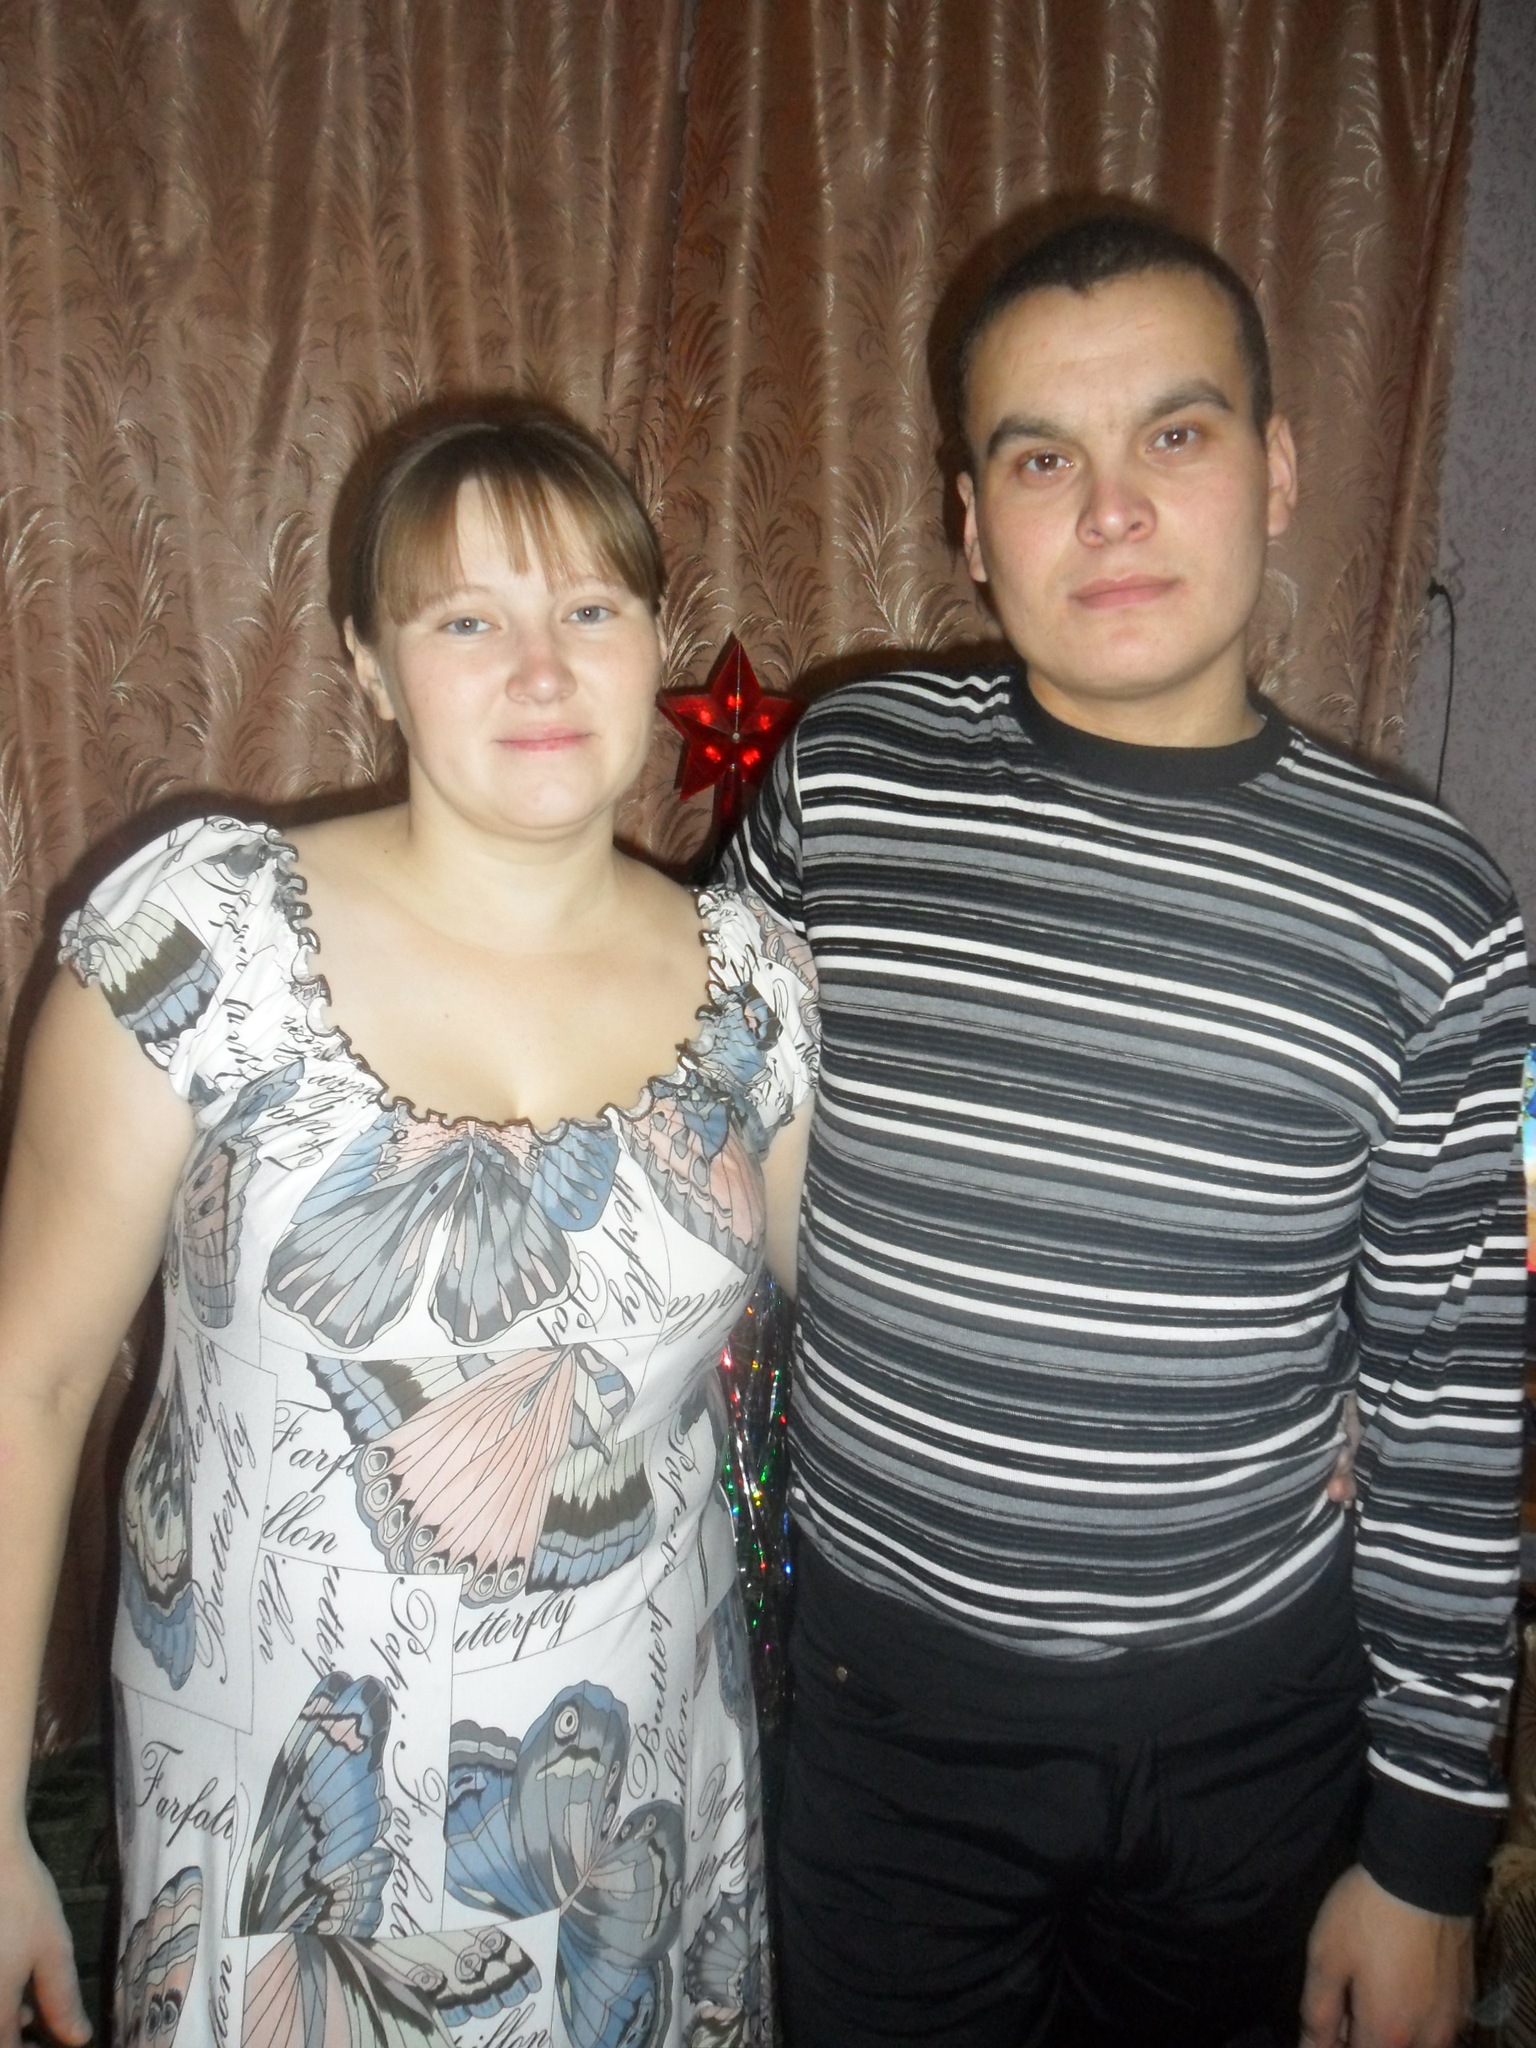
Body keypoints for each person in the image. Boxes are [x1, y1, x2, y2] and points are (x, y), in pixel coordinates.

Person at [722, 212, 1528, 2048]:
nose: (1110, 512)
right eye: (1041, 460)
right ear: (969, 519)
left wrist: (1426, 1856)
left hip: (1252, 1732)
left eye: (1175, 434)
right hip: (883, 1713)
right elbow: (663, 1037)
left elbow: (1454, 1395)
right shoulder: (843, 780)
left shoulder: (1437, 914)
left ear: (1278, 470)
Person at [0, 402, 817, 2048]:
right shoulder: (208, 938)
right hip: (282, 1824)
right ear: (368, 666)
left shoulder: (758, 988)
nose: (541, 668)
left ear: (652, 642)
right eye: (466, 622)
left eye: (588, 608)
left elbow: (876, 1334)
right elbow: (31, 1379)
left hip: (629, 1808)